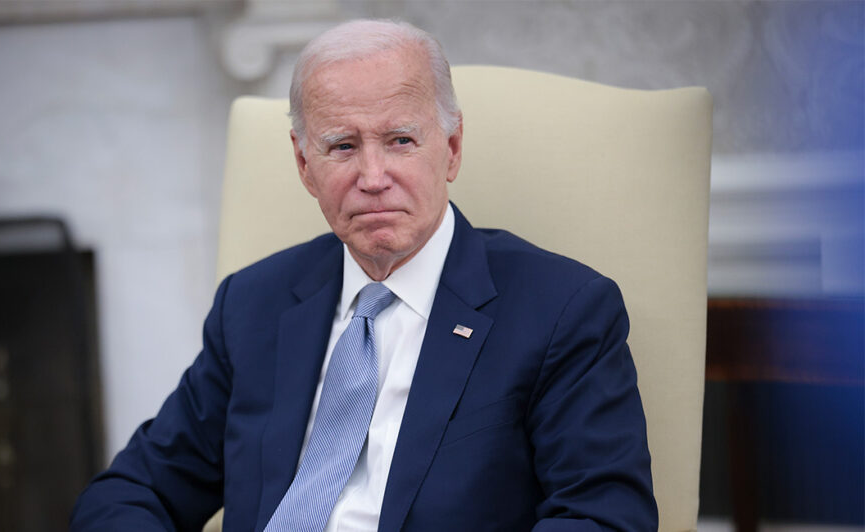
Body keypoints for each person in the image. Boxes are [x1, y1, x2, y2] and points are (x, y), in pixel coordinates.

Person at [71, 19, 656, 531]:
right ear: (305, 164)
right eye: (343, 147)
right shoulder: (252, 305)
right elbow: (132, 492)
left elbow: (603, 515)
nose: (373, 177)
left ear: (451, 148)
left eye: (400, 140)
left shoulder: (562, 310)